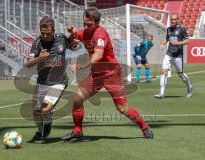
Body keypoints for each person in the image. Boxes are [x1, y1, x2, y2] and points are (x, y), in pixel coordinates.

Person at [61, 7, 153, 141]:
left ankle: (144, 126)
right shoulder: (84, 32)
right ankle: (77, 130)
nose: (86, 27)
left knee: (123, 109)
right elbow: (72, 43)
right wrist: (73, 33)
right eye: (84, 23)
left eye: (89, 24)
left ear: (97, 23)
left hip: (112, 74)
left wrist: (81, 66)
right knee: (77, 98)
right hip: (97, 74)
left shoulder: (100, 33)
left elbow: (98, 55)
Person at [26, 16, 76, 142]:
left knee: (45, 109)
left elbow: (73, 46)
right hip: (42, 82)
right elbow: (28, 64)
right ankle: (39, 130)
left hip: (58, 82)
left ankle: (47, 124)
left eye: (47, 33)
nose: (45, 36)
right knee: (36, 111)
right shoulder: (37, 43)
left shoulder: (61, 38)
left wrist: (73, 35)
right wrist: (39, 58)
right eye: (42, 33)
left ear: (53, 30)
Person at [155, 14, 193, 99]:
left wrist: (177, 43)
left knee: (180, 74)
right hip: (169, 54)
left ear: (177, 19)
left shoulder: (182, 29)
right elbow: (167, 39)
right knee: (164, 71)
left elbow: (187, 41)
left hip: (178, 56)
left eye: (174, 19)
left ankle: (189, 87)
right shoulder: (168, 29)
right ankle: (161, 93)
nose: (173, 21)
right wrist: (162, 44)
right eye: (172, 19)